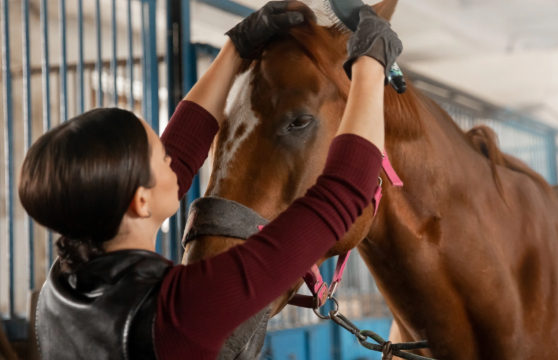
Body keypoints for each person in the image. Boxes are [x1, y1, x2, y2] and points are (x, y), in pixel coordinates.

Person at [19, 2, 403, 359]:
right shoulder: (187, 311)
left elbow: (183, 146)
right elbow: (341, 194)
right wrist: (370, 67)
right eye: (161, 157)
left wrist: (235, 49)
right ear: (140, 202)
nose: (176, 160)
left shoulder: (62, 286)